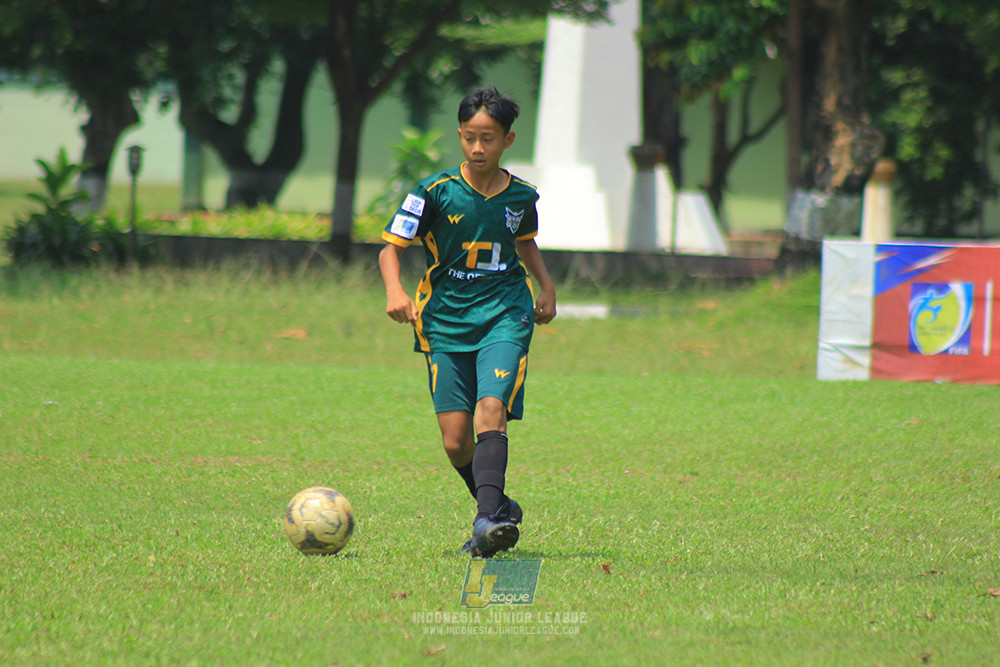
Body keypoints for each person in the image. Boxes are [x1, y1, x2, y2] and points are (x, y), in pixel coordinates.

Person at [378, 86, 557, 558]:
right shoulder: (434, 191)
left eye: (489, 139)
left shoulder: (521, 196)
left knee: (490, 410)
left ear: (507, 140)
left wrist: (547, 287)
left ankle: (484, 522)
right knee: (456, 441)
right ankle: (498, 506)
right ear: (459, 136)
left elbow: (525, 243)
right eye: (470, 138)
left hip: (505, 314)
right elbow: (390, 248)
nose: (478, 149)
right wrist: (395, 291)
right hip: (445, 321)